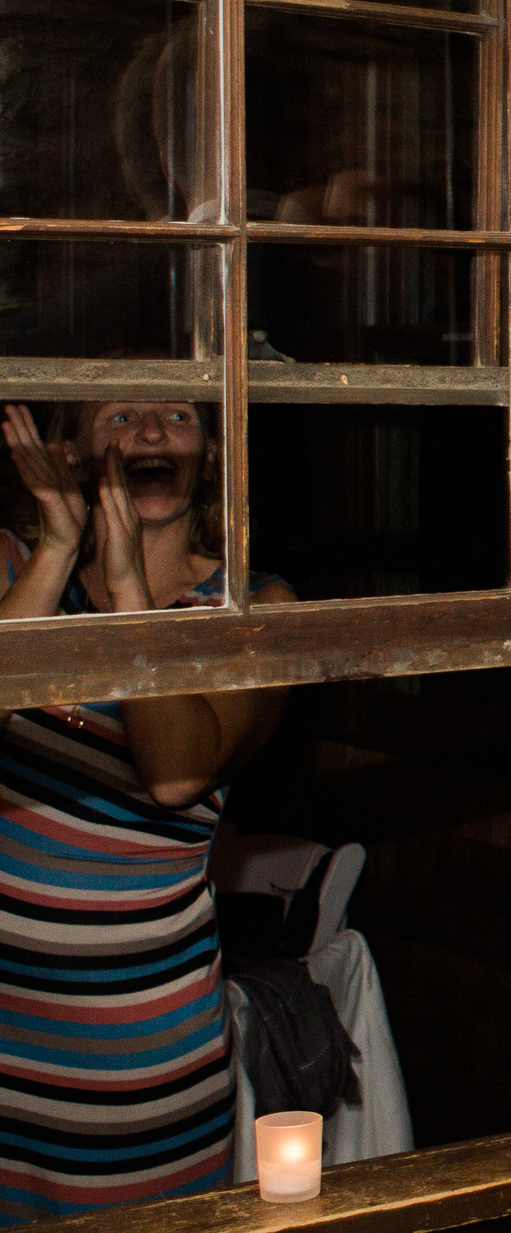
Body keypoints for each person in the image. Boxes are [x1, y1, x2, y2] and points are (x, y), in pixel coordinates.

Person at [0, 399, 290, 1218]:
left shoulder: (253, 606)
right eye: (122, 411)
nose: (154, 432)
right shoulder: (15, 567)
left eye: (178, 412)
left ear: (211, 453)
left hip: (136, 1059)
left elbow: (175, 774)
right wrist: (60, 549)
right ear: (73, 448)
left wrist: (128, 586)